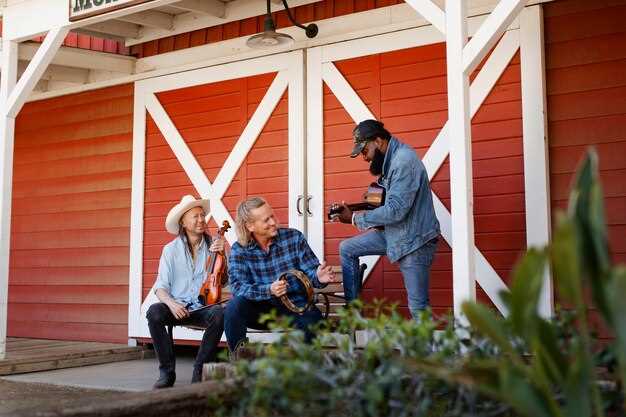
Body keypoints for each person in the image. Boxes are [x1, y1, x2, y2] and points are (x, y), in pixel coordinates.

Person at [331, 119, 440, 320]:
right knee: (347, 248)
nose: (364, 158)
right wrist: (352, 208)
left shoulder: (403, 161)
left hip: (414, 240)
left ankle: (431, 351)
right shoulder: (389, 162)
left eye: (365, 151)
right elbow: (380, 200)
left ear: (379, 141)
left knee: (418, 307)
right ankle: (353, 309)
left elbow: (395, 210)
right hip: (394, 233)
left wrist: (354, 218)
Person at [224, 196, 336, 353]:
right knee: (233, 307)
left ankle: (305, 371)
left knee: (313, 323)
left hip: (296, 307)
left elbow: (310, 271)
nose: (273, 222)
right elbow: (237, 287)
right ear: (250, 226)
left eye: (272, 216)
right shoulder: (239, 249)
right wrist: (269, 289)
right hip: (260, 311)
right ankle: (239, 360)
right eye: (266, 220)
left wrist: (318, 276)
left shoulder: (294, 237)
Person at [146, 195, 226, 389]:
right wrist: (172, 304)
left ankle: (199, 370)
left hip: (202, 307)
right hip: (177, 307)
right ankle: (167, 372)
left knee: (220, 314)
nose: (201, 220)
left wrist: (223, 255)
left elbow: (223, 281)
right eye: (195, 216)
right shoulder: (170, 250)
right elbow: (160, 287)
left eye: (202, 216)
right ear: (183, 221)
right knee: (154, 313)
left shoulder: (214, 246)